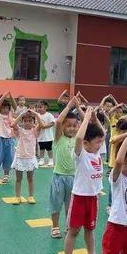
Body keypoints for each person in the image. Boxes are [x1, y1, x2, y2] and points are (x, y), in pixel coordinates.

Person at [62, 107, 105, 254]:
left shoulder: (97, 153)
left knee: (90, 229)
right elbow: (79, 137)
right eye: (97, 142)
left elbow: (103, 134)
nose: (100, 145)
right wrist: (86, 118)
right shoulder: (81, 155)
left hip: (93, 198)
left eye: (100, 143)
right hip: (79, 198)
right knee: (73, 231)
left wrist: (95, 119)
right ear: (87, 144)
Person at [50, 97, 80, 239]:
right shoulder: (59, 138)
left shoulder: (78, 139)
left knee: (70, 205)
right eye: (69, 125)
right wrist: (69, 106)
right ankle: (55, 226)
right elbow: (58, 121)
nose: (72, 128)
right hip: (59, 176)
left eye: (75, 126)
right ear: (63, 127)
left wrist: (78, 108)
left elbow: (86, 122)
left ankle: (68, 225)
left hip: (73, 177)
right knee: (56, 203)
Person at [11, 110, 43, 205]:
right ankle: (17, 197)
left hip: (30, 158)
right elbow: (13, 125)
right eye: (25, 121)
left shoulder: (34, 131)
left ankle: (30, 196)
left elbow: (41, 125)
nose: (27, 123)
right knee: (18, 179)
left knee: (30, 179)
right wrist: (21, 114)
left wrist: (36, 114)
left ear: (34, 122)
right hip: (20, 157)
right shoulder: (20, 131)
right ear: (22, 121)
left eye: (30, 121)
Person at [0, 92, 17, 184]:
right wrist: (3, 96)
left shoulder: (10, 114)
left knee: (9, 157)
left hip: (9, 139)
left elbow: (15, 107)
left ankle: (6, 175)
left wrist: (11, 97)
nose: (5, 109)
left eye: (6, 107)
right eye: (3, 107)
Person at [36, 101, 55, 167]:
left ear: (45, 107)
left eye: (40, 107)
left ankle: (51, 160)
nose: (39, 108)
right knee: (41, 148)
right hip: (40, 136)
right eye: (38, 107)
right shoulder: (37, 115)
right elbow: (36, 125)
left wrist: (44, 126)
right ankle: (41, 159)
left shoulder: (49, 115)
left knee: (49, 148)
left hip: (48, 137)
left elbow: (52, 123)